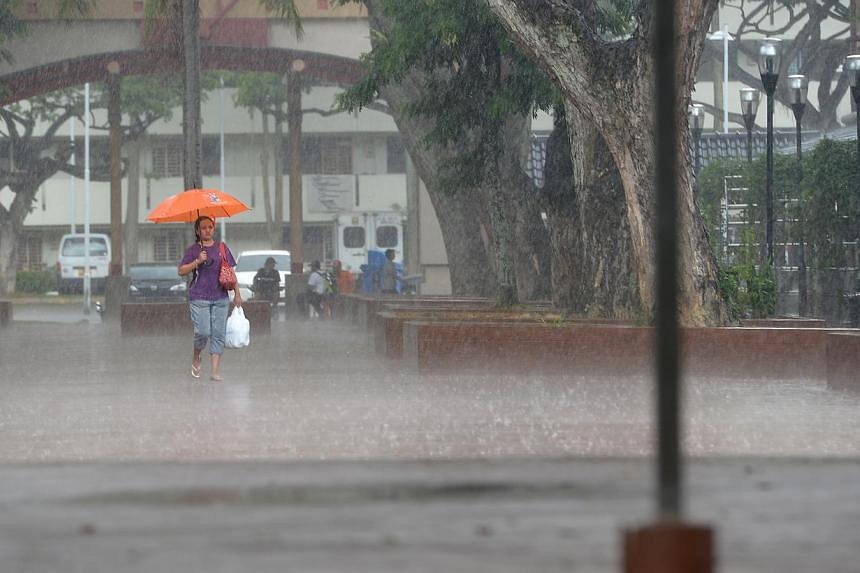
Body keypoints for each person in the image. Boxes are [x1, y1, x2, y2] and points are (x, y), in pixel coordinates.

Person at [178, 215, 241, 381]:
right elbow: (182, 271)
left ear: (214, 229)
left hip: (220, 297)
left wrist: (237, 293)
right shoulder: (193, 250)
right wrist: (197, 261)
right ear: (198, 231)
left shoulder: (222, 248)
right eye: (203, 227)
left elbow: (230, 271)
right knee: (203, 331)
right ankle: (196, 354)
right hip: (199, 297)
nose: (207, 230)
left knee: (218, 334)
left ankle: (214, 371)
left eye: (210, 227)